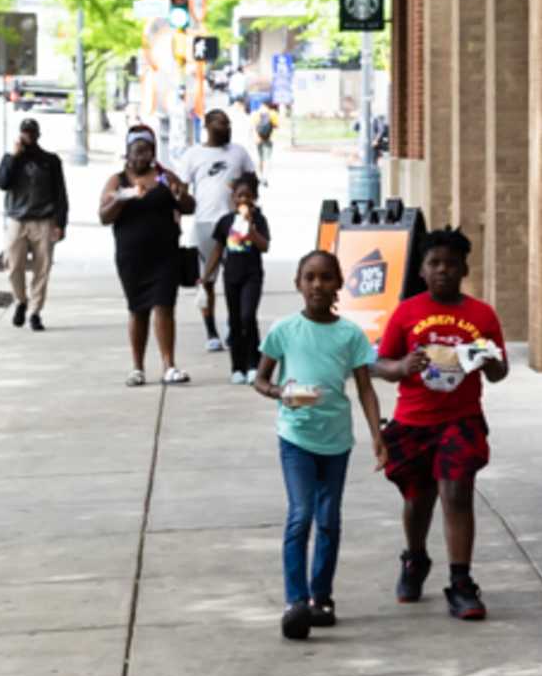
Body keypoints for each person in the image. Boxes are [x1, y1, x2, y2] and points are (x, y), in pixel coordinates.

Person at [372, 225, 507, 621]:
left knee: (457, 492)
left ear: (464, 268)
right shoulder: (407, 312)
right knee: (418, 499)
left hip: (460, 419)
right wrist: (401, 365)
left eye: (451, 263)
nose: (443, 270)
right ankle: (415, 558)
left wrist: (489, 360)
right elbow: (380, 364)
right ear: (421, 270)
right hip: (413, 421)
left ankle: (461, 582)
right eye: (434, 263)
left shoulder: (481, 314)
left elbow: (499, 372)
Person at [254, 247, 385, 639]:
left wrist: (378, 436)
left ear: (339, 284)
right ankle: (295, 600)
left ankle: (321, 597)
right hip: (296, 437)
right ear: (298, 284)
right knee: (302, 514)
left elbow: (365, 389)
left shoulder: (350, 334)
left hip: (337, 441)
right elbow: (259, 380)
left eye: (326, 277)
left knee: (329, 519)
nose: (317, 284)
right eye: (309, 277)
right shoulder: (284, 331)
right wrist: (281, 392)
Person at [96, 126, 194, 383]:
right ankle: (137, 367)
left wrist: (180, 195)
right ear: (127, 153)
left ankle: (169, 365)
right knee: (138, 309)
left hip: (165, 255)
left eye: (146, 151)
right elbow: (104, 216)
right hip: (132, 257)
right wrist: (123, 198)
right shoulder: (118, 181)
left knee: (164, 305)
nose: (141, 157)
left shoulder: (164, 176)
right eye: (136, 151)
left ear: (153, 152)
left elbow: (189, 205)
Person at [0, 120, 71, 330]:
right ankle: (20, 300)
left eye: (31, 133)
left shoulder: (50, 160)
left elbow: (60, 193)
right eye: (25, 133)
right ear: (20, 134)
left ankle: (35, 311)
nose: (28, 136)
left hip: (44, 220)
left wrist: (61, 222)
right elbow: (1, 183)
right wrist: (13, 156)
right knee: (12, 264)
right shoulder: (11, 159)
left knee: (42, 268)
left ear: (38, 134)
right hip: (17, 220)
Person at [187, 108, 242, 344]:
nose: (226, 130)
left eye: (228, 125)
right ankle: (211, 331)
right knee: (207, 279)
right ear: (208, 128)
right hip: (205, 221)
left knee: (235, 278)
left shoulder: (239, 152)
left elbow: (251, 181)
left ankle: (234, 326)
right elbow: (182, 187)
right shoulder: (193, 155)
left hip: (234, 222)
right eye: (221, 126)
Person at [212, 171, 272, 381]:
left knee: (248, 316)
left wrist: (252, 232)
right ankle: (237, 367)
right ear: (233, 198)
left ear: (254, 198)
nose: (243, 199)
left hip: (252, 275)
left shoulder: (259, 220)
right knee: (235, 320)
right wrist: (206, 275)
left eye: (248, 196)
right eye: (239, 196)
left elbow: (264, 246)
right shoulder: (226, 222)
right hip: (231, 276)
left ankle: (253, 363)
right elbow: (218, 250)